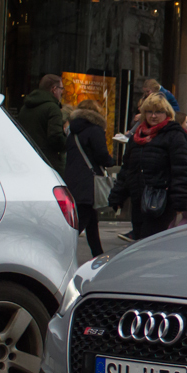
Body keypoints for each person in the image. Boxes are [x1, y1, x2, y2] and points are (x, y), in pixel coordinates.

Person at [108, 94, 187, 240]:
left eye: (159, 112)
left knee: (151, 240)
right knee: (141, 239)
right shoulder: (137, 137)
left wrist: (180, 201)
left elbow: (182, 170)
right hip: (138, 199)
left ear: (167, 113)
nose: (153, 116)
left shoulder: (174, 135)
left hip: (161, 201)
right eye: (149, 112)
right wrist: (117, 196)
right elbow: (127, 169)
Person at [63, 99, 113, 257]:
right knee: (81, 222)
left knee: (91, 221)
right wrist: (111, 162)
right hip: (89, 182)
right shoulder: (95, 130)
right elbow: (101, 155)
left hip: (73, 179)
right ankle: (62, 252)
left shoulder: (73, 131)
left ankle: (98, 255)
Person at [18, 74, 67, 172]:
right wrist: (67, 143)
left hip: (26, 159)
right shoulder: (53, 108)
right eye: (61, 88)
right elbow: (55, 137)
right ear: (54, 89)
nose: (62, 92)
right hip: (48, 162)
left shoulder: (25, 108)